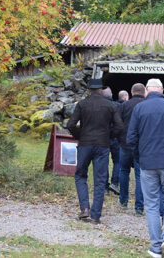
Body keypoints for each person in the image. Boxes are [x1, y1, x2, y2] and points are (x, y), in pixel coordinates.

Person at [127, 78, 164, 258]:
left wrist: (139, 158)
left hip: (148, 163)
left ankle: (156, 246)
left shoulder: (139, 109)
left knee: (151, 204)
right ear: (161, 90)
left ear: (147, 91)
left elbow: (132, 138)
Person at [67, 78, 124, 224]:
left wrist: (79, 136)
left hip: (85, 144)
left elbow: (71, 124)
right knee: (100, 180)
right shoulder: (110, 105)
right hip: (103, 145)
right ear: (101, 90)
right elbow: (119, 126)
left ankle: (84, 208)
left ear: (88, 91)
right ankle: (95, 215)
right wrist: (109, 136)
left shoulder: (82, 104)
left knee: (80, 175)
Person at [117, 83, 146, 215]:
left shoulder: (124, 105)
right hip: (141, 145)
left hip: (125, 144)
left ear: (132, 92)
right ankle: (139, 207)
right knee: (140, 176)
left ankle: (123, 200)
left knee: (124, 171)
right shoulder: (146, 105)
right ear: (144, 92)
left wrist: (119, 138)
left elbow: (117, 123)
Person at [101, 87, 120, 195]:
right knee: (117, 161)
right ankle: (115, 183)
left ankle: (104, 187)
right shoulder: (117, 106)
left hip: (103, 137)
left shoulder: (99, 106)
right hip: (115, 137)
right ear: (111, 94)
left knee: (104, 161)